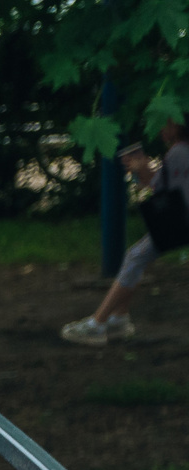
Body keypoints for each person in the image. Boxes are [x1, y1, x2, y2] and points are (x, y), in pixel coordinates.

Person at [63, 119, 189, 346]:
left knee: (135, 257)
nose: (159, 128)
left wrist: (142, 171)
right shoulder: (179, 151)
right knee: (136, 257)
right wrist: (143, 171)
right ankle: (118, 318)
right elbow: (168, 184)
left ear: (179, 124)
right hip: (182, 220)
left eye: (165, 123)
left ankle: (97, 324)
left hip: (181, 222)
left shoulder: (179, 152)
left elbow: (160, 189)